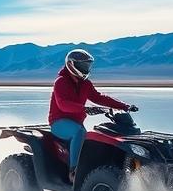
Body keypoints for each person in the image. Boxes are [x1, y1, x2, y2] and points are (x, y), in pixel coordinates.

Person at [49, 48, 138, 184]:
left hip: (77, 123)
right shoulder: (61, 82)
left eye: (88, 65)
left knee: (91, 139)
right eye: (83, 65)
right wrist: (85, 108)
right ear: (72, 65)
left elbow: (99, 98)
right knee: (79, 133)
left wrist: (124, 106)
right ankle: (73, 171)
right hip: (59, 122)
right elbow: (63, 104)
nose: (86, 68)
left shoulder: (85, 84)